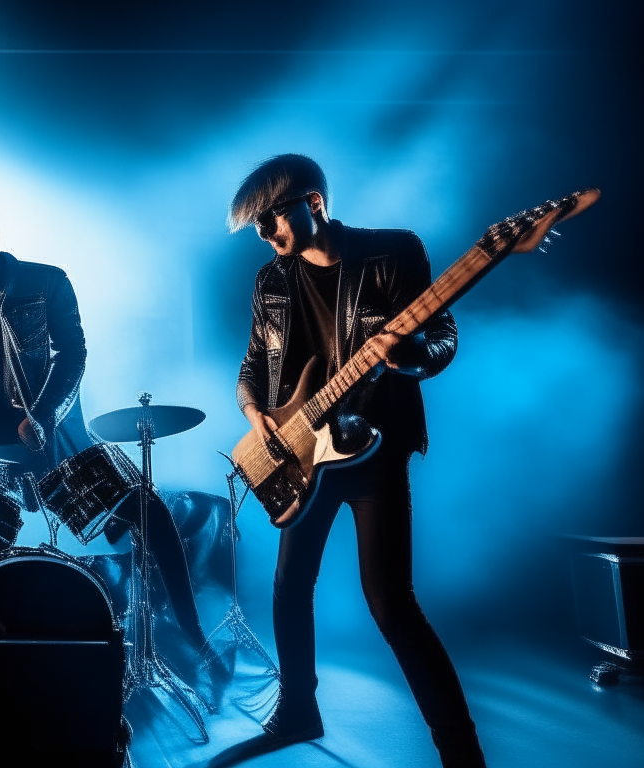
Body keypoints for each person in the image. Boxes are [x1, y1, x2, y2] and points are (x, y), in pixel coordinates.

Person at [229, 155, 484, 767]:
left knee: (392, 604)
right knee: (289, 589)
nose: (267, 236)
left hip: (374, 448)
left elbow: (442, 335)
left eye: (272, 219)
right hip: (301, 454)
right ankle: (298, 712)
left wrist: (412, 351)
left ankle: (461, 752)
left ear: (313, 203)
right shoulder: (271, 281)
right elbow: (250, 367)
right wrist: (255, 413)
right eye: (258, 228)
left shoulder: (393, 252)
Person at [0, 182, 215, 672]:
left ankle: (192, 633)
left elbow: (73, 353)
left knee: (147, 508)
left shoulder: (45, 281)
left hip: (50, 435)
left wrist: (44, 415)